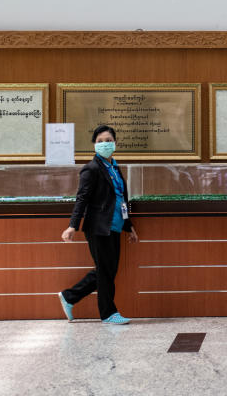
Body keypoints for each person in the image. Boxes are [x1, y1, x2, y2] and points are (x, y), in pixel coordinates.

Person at [58, 124, 138, 325]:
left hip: (115, 226)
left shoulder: (115, 167)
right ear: (94, 145)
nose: (105, 144)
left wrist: (129, 227)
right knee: (105, 270)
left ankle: (70, 296)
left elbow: (121, 200)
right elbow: (82, 199)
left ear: (115, 143)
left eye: (108, 141)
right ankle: (108, 313)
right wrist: (72, 226)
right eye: (100, 141)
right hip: (98, 228)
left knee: (108, 270)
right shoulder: (91, 169)